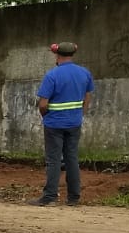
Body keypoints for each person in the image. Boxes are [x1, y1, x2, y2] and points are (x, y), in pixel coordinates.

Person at [30, 42, 93, 207]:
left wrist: (47, 117)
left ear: (57, 56)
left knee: (54, 160)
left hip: (54, 124)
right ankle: (73, 198)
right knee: (72, 158)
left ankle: (50, 196)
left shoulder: (52, 75)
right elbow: (87, 97)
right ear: (72, 54)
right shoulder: (84, 73)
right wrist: (80, 114)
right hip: (74, 122)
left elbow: (43, 104)